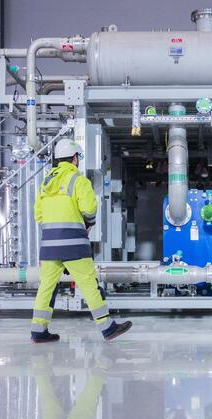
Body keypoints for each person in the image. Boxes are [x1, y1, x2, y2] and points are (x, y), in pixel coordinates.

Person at [30, 138, 132, 343]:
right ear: (75, 158)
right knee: (89, 284)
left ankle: (38, 331)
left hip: (48, 245)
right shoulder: (78, 180)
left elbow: (38, 216)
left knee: (46, 287)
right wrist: (89, 223)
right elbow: (89, 209)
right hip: (73, 244)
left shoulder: (45, 183)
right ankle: (108, 328)